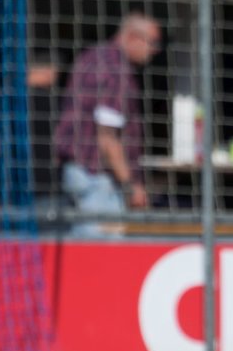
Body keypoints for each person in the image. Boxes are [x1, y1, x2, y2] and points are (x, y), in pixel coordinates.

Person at [54, 13, 162, 228]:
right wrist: (131, 185)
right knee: (101, 250)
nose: (155, 51)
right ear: (132, 37)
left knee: (83, 243)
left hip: (77, 170)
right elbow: (107, 137)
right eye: (152, 43)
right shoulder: (115, 70)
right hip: (96, 176)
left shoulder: (92, 57)